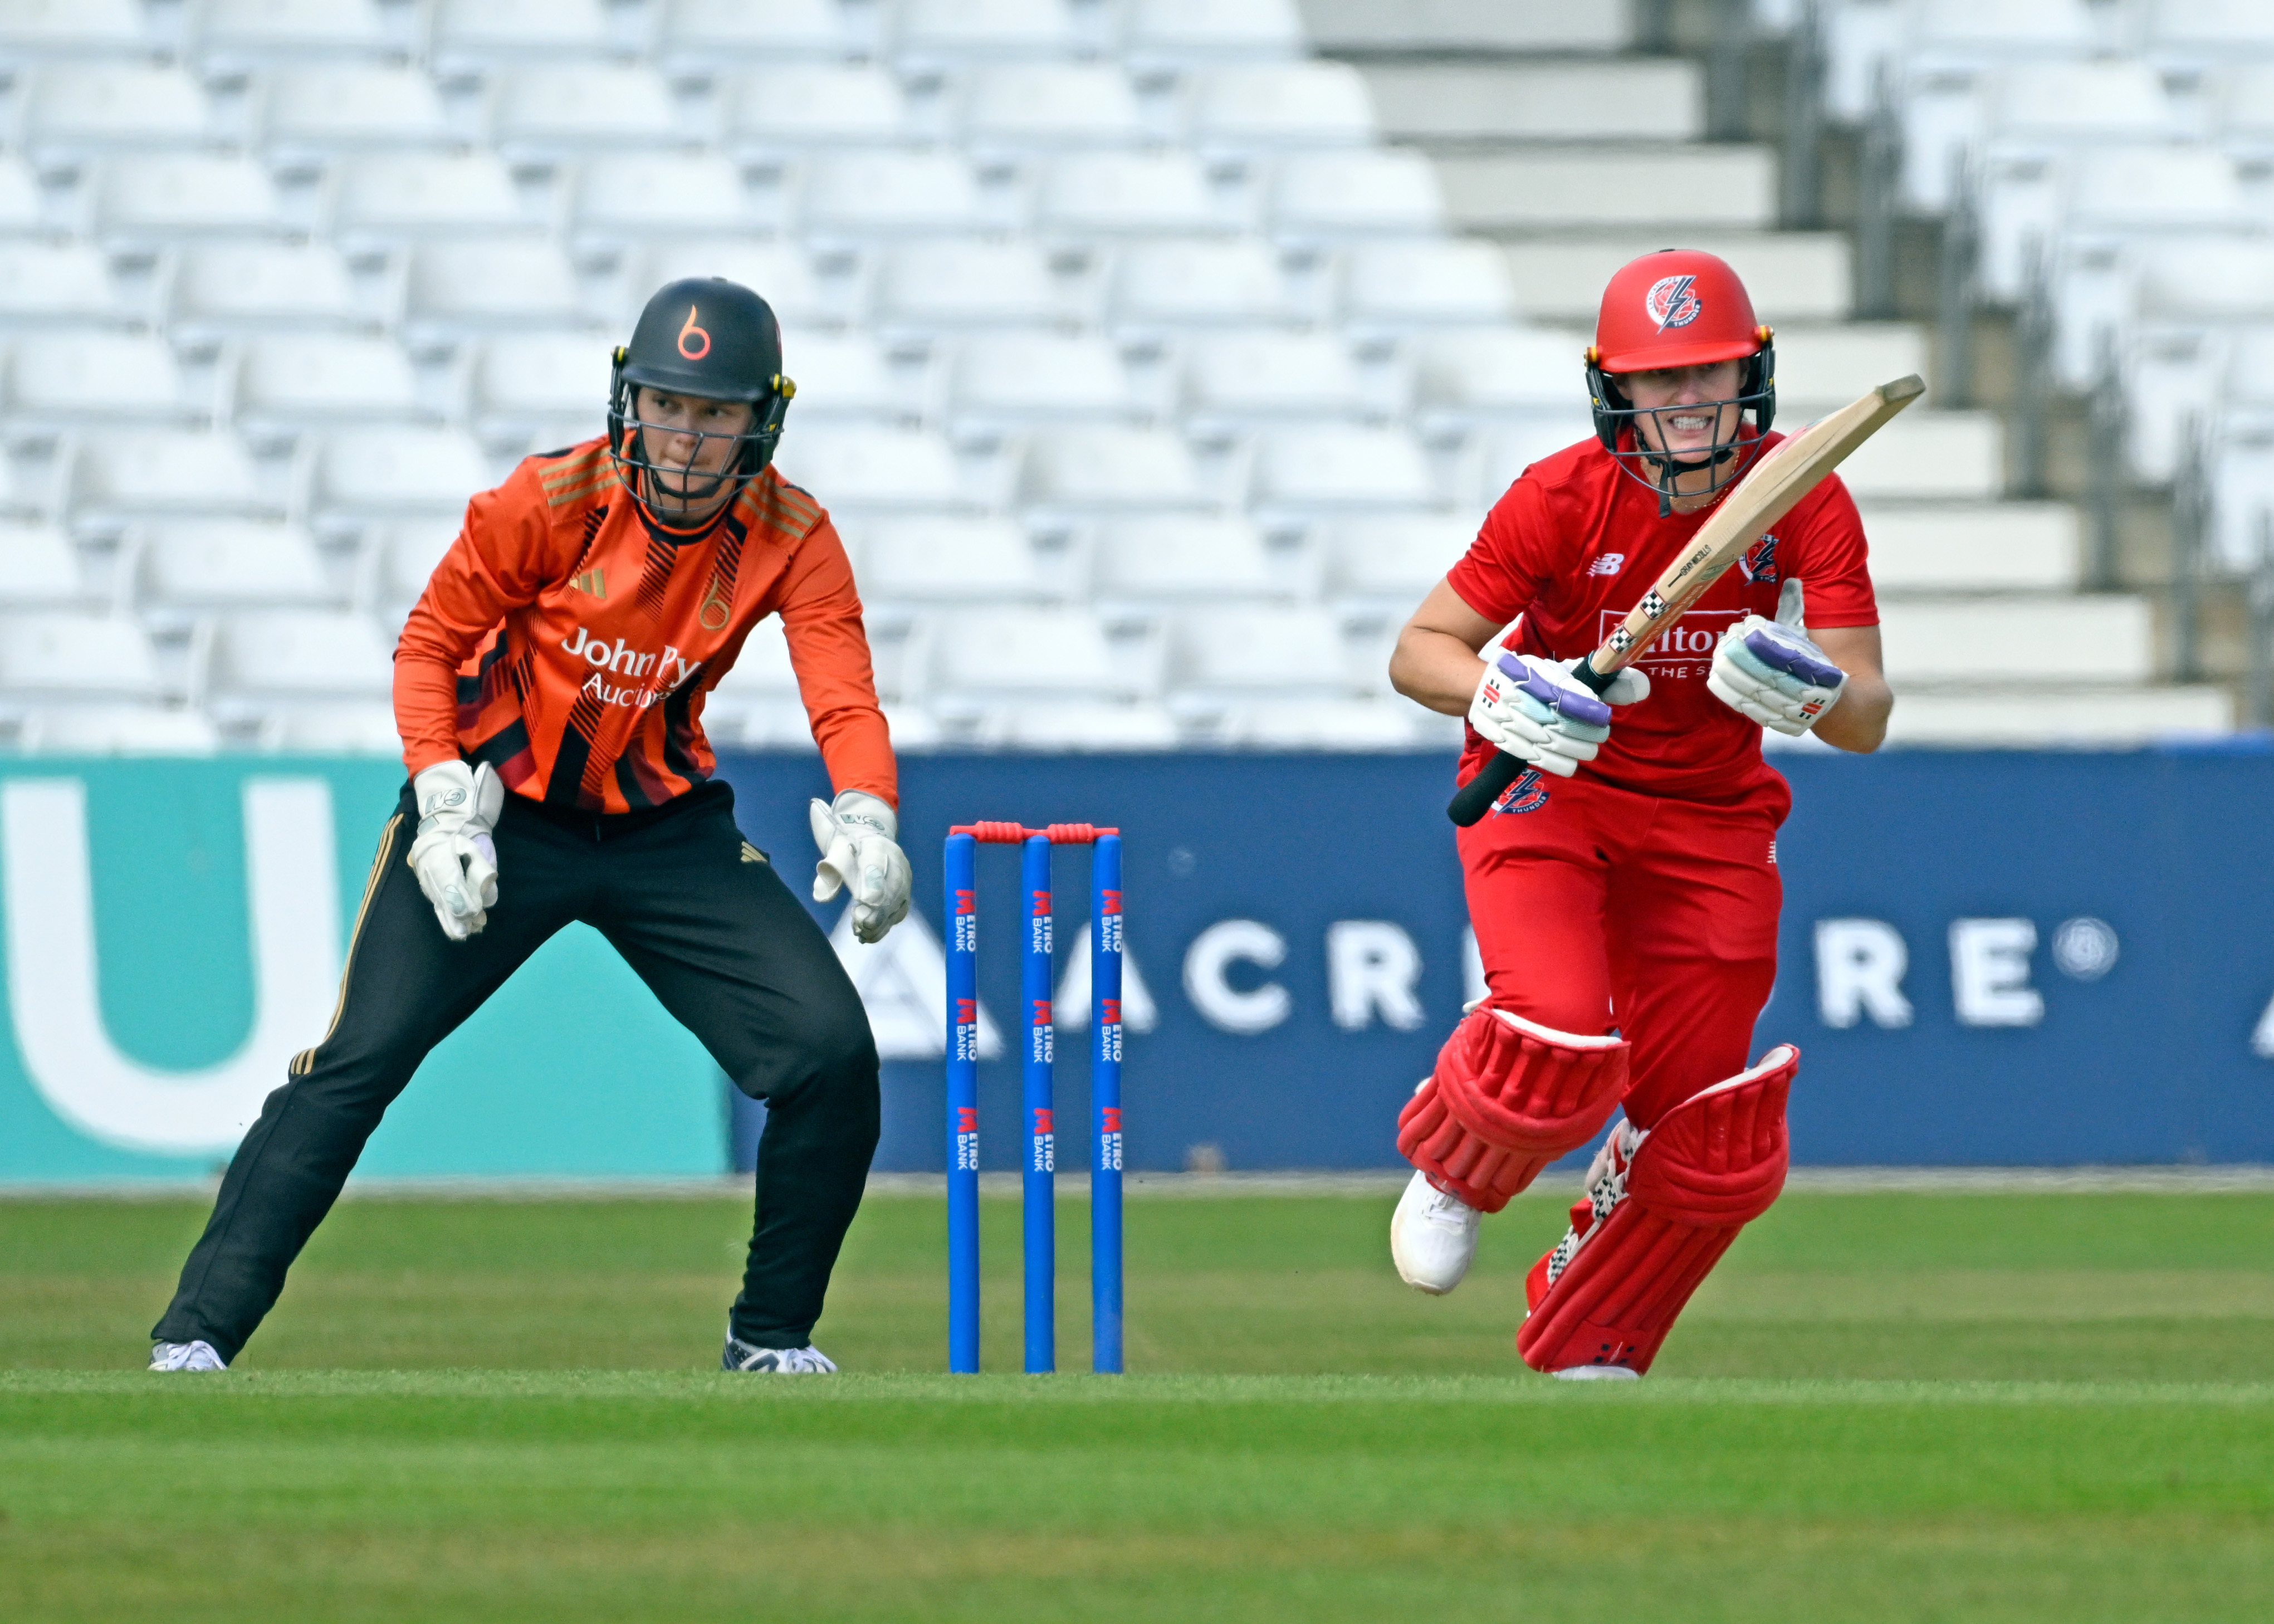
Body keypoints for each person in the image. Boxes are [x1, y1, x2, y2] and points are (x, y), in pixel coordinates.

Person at [149, 278, 909, 1375]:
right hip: (498, 815)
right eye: (667, 405)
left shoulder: (791, 530)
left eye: (715, 412)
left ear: (762, 418)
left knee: (832, 1055)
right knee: (356, 1062)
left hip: (665, 827)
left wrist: (866, 811)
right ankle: (197, 1335)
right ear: (627, 399)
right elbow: (427, 644)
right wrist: (441, 797)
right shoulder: (548, 499)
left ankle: (771, 1337)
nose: (687, 438)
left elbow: (840, 690)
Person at [1383, 250, 1894, 1378]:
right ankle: (1456, 1166)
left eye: (1707, 375)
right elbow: (1417, 653)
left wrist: (1813, 695)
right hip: (1548, 793)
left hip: (1711, 821)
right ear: (1614, 390)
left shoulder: (1804, 490)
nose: (1689, 403)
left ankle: (1590, 1319)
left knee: (1704, 1140)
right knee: (1556, 1035)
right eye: (1660, 382)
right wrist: (1500, 688)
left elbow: (1865, 712)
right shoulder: (1557, 496)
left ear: (1749, 374)